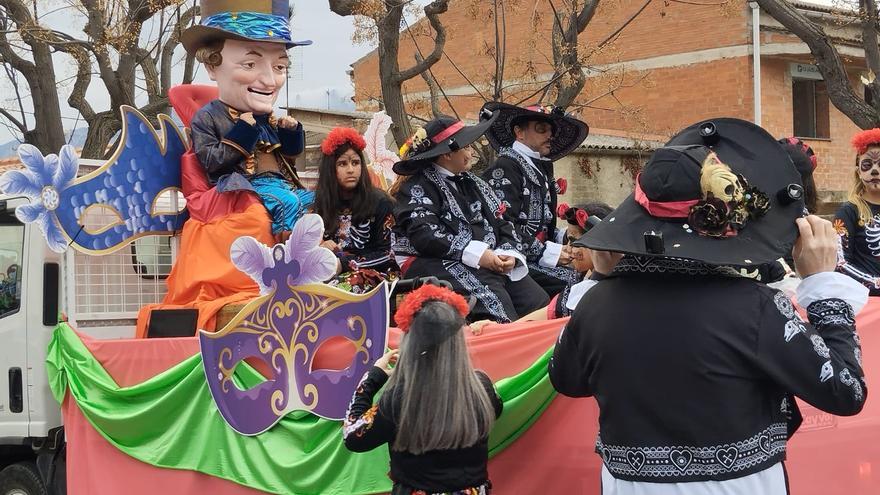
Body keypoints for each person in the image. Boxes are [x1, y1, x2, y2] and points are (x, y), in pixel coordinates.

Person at [549, 119, 869, 494]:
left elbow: (566, 380)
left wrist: (605, 278)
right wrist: (822, 287)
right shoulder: (755, 306)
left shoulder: (595, 304)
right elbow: (846, 391)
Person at [343, 284, 503, 495]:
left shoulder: (399, 399)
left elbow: (353, 436)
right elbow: (497, 410)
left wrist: (372, 378)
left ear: (410, 342)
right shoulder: (482, 387)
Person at [390, 115, 549, 323]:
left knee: (536, 301)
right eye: (466, 146)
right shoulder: (416, 188)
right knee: (494, 301)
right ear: (447, 154)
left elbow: (502, 222)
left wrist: (507, 254)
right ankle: (503, 350)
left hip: (485, 260)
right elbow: (425, 235)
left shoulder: (476, 183)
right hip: (433, 260)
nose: (471, 151)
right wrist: (478, 254)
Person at [181, 0, 315, 238]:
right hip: (244, 188)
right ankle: (287, 251)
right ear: (212, 66)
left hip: (281, 183)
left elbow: (290, 157)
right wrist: (243, 131)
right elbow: (211, 161)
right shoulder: (208, 117)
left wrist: (290, 132)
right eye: (250, 64)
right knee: (286, 203)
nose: (270, 81)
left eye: (279, 67)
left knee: (321, 200)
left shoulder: (267, 117)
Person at [480, 102, 589, 297]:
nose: (549, 136)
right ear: (519, 132)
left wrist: (570, 237)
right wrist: (550, 252)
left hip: (536, 257)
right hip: (513, 260)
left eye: (551, 131)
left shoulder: (538, 168)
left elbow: (542, 225)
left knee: (589, 274)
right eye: (541, 129)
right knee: (577, 285)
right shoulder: (506, 168)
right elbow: (502, 226)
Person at [314, 127, 399, 293]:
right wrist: (321, 246)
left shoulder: (380, 202)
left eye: (355, 162)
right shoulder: (323, 203)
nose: (351, 170)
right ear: (331, 169)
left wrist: (344, 263)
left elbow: (389, 254)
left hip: (379, 274)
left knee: (337, 288)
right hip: (332, 270)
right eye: (342, 164)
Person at [834, 128, 880, 296]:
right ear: (859, 172)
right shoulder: (848, 212)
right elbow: (840, 264)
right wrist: (875, 284)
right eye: (867, 165)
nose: (875, 170)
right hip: (867, 302)